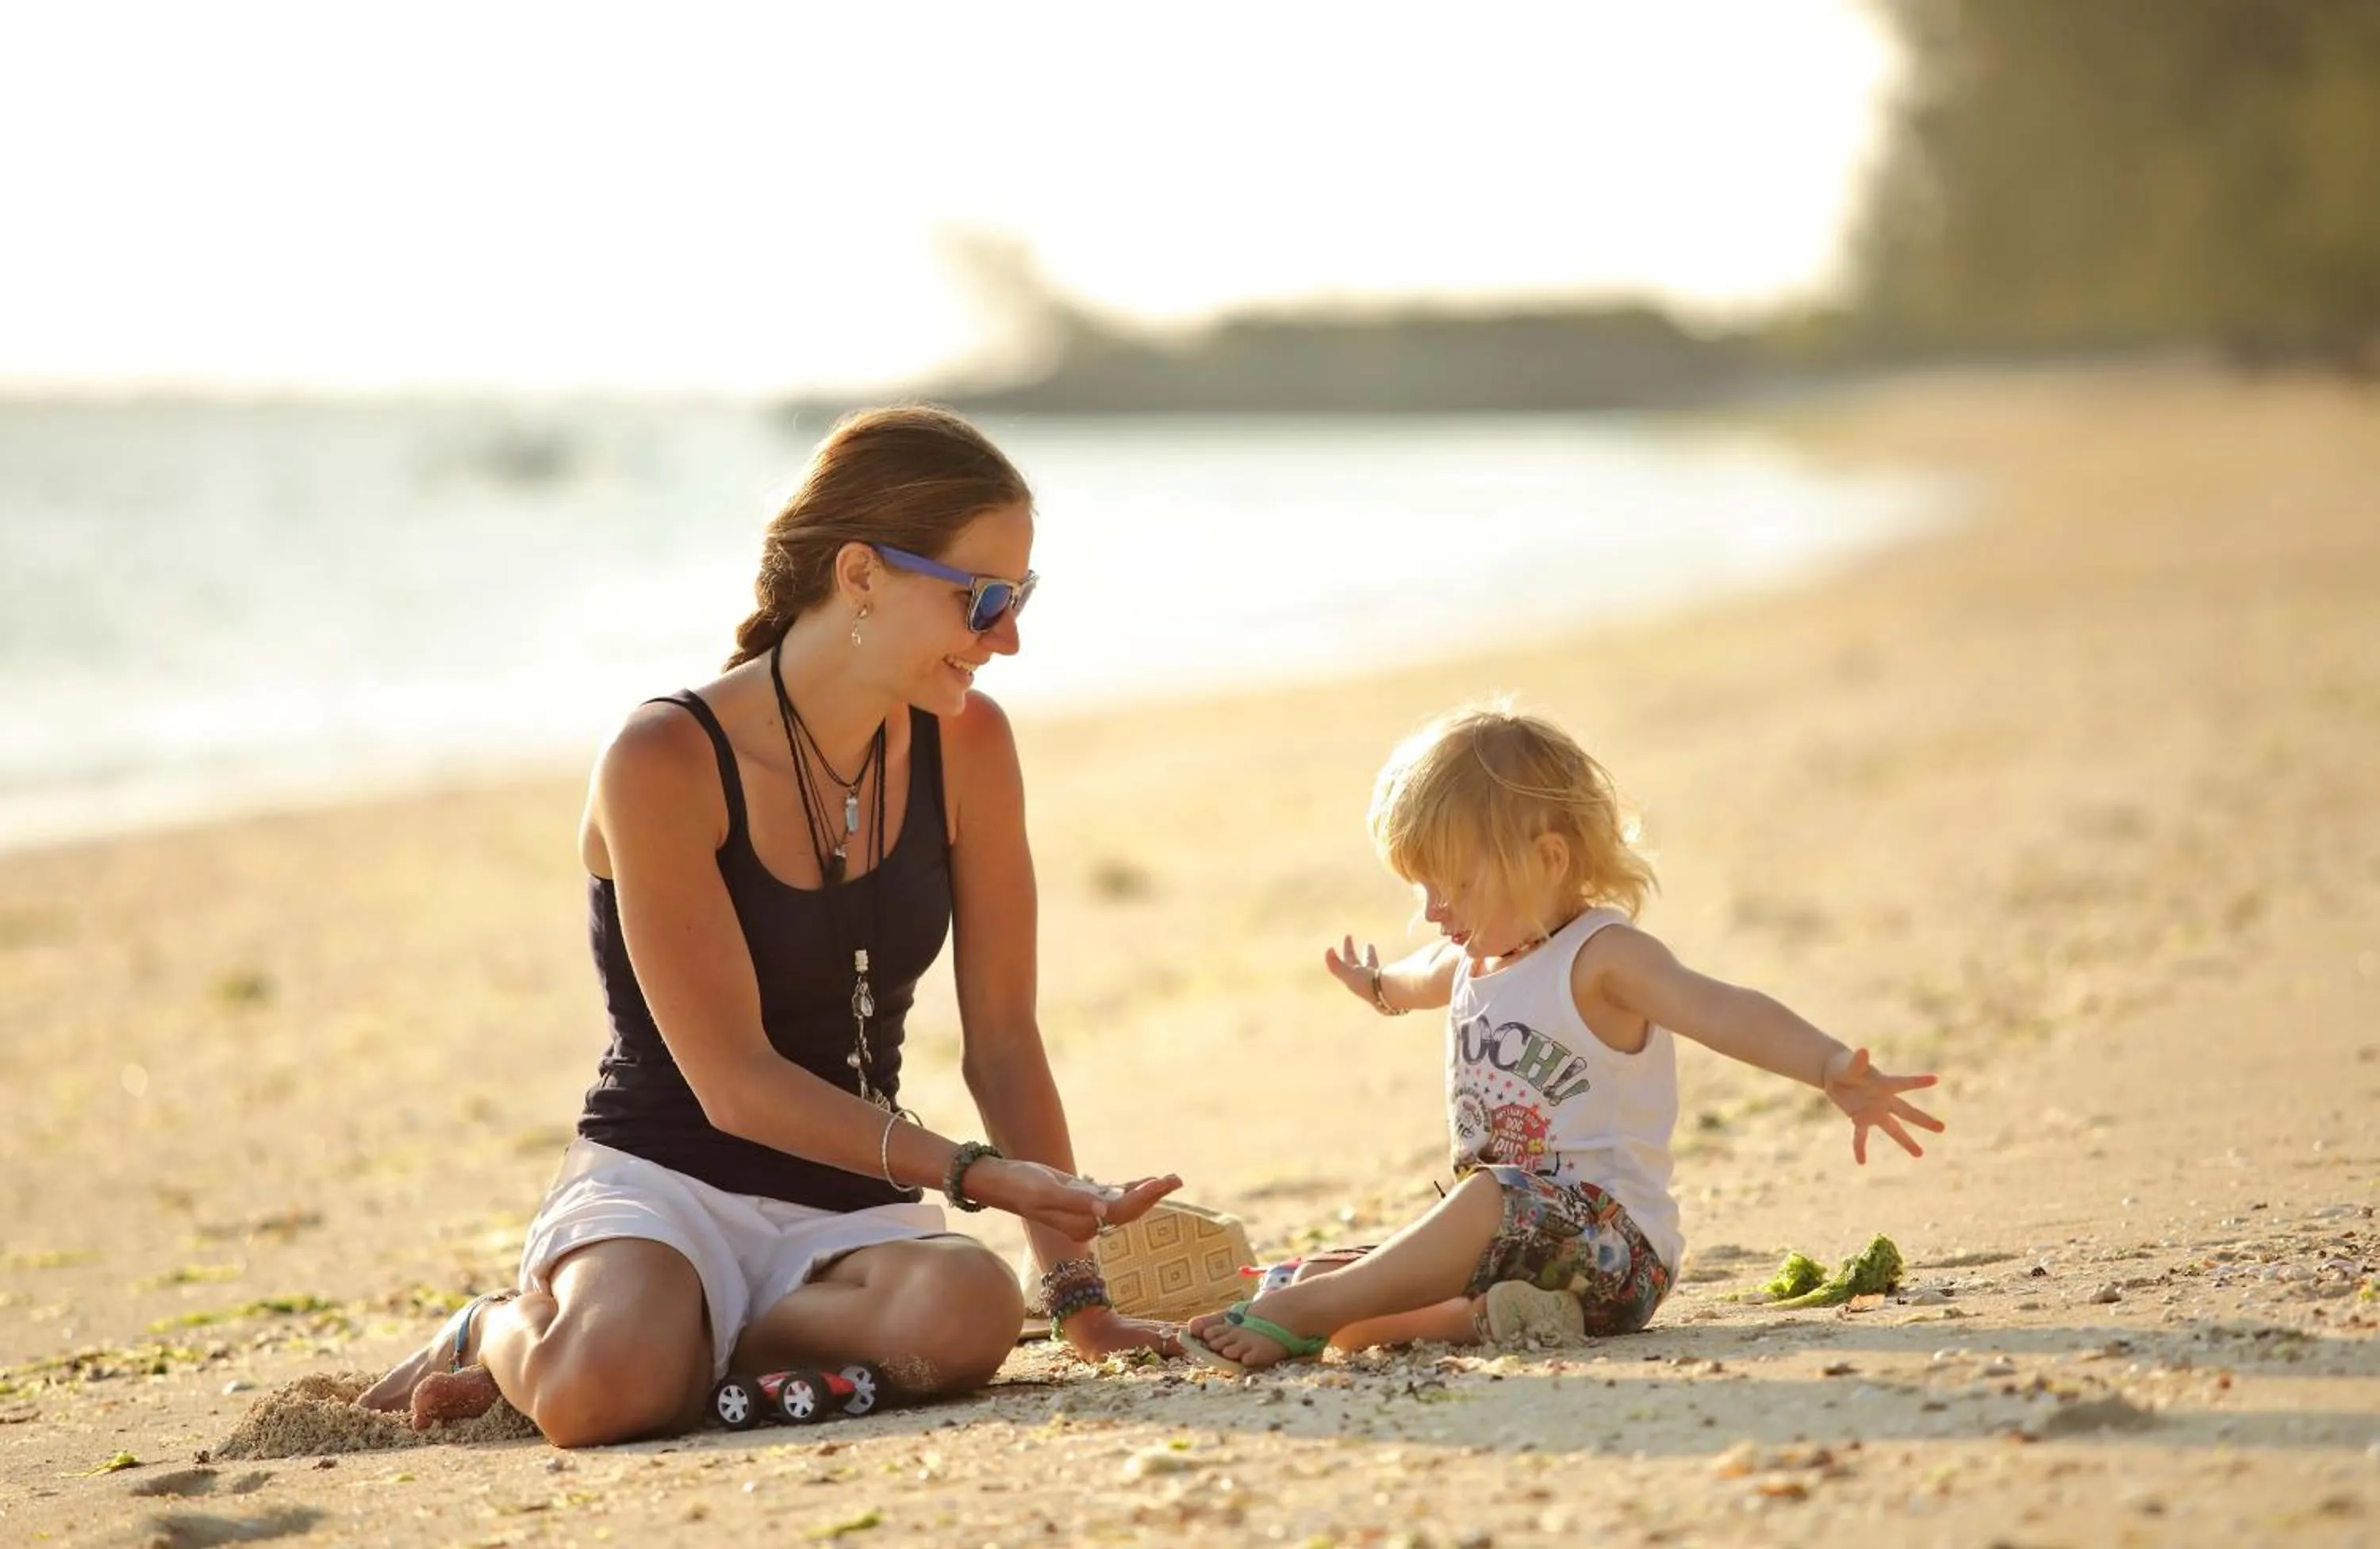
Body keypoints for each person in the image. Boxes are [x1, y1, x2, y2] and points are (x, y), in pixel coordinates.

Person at [362, 406, 1184, 1446]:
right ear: (861, 577)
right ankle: (495, 1332)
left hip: (850, 1221)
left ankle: (693, 1347)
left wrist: (1077, 1296)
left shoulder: (968, 746)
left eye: (1019, 599)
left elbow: (1005, 1040)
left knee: (969, 1307)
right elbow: (735, 1083)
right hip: (664, 1190)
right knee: (604, 1392)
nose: (1007, 637)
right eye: (981, 598)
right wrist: (973, 1172)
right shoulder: (664, 758)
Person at [1184, 705, 1943, 1373]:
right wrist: (1379, 987)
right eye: (1421, 889)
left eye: (1455, 885)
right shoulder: (1476, 955)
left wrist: (1831, 1066)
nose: (1434, 911)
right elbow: (1418, 977)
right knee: (1328, 1281)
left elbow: (1722, 1009)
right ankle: (1474, 1318)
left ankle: (1315, 1315)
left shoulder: (1601, 959)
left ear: (1547, 860)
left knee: (1482, 1201)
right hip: (1513, 1252)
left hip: (1616, 1253)